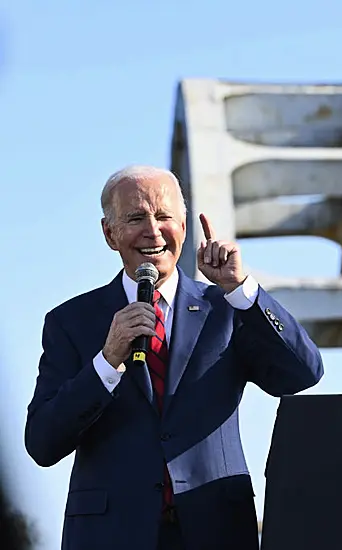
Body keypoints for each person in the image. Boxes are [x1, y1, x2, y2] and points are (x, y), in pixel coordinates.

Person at [24, 165, 324, 550]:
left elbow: (303, 373)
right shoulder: (71, 321)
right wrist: (106, 361)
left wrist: (241, 290)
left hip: (216, 530)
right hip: (110, 535)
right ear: (109, 234)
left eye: (164, 217)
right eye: (135, 218)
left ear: (184, 225)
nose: (153, 231)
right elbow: (42, 443)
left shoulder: (227, 308)